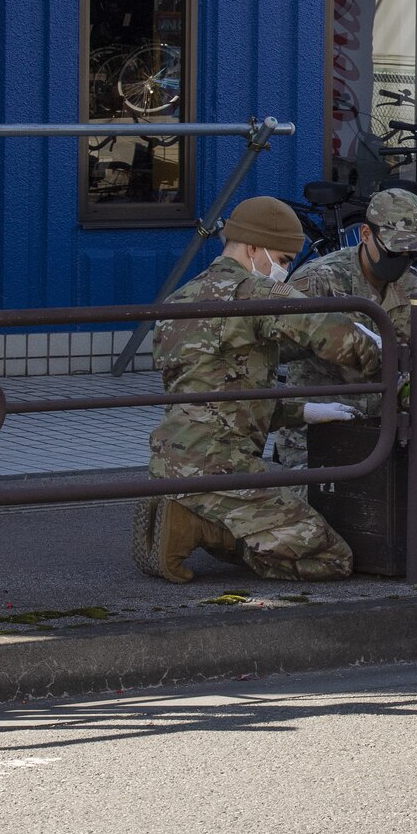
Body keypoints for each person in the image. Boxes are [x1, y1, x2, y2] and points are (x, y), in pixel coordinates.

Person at [131, 196, 382, 584]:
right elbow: (323, 327)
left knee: (302, 504)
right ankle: (199, 526)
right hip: (225, 466)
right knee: (332, 556)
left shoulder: (180, 299)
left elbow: (219, 396)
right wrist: (385, 354)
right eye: (282, 260)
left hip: (171, 460)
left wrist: (306, 411)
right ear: (252, 247)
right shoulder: (253, 293)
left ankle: (188, 509)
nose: (284, 271)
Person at [270, 187, 417, 469]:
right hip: (321, 429)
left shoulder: (416, 285)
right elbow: (277, 346)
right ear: (365, 234)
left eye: (411, 252)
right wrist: (334, 340)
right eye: (394, 249)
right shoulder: (318, 280)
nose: (402, 259)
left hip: (387, 427)